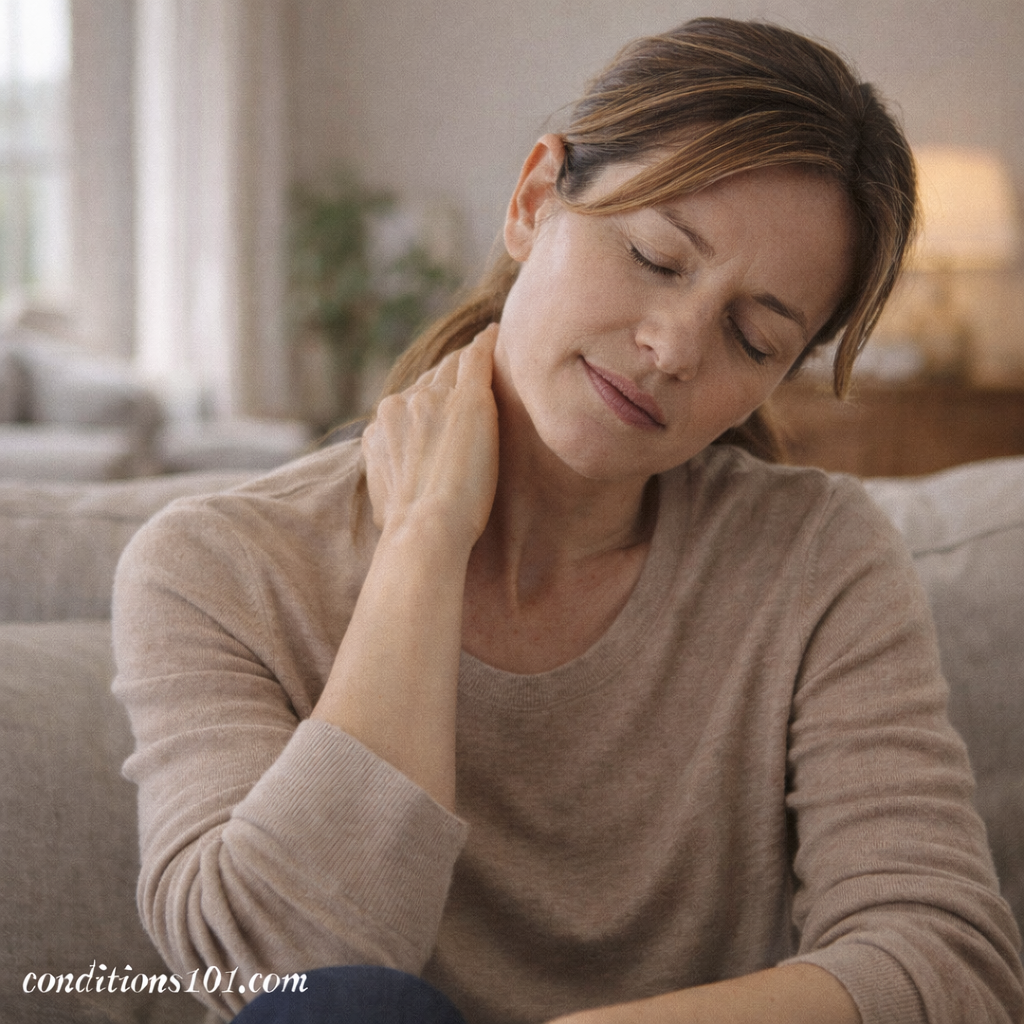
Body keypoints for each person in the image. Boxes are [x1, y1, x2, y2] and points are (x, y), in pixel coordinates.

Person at [112, 17, 1024, 1024]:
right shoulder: (218, 566)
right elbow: (278, 978)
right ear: (534, 199)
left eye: (752, 337)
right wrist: (421, 549)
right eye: (653, 256)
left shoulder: (813, 557)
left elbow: (948, 963)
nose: (674, 347)